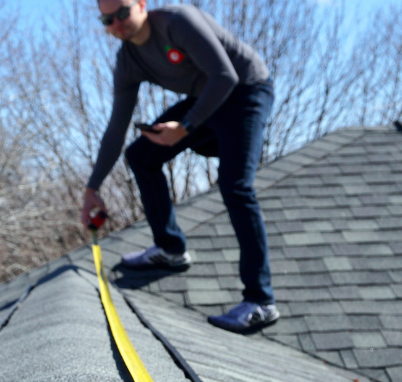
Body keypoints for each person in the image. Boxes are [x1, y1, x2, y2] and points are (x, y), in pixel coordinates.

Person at [81, 0, 278, 333]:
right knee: (141, 155)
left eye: (123, 12)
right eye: (107, 20)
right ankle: (170, 249)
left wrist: (185, 127)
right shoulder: (128, 60)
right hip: (205, 100)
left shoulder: (177, 22)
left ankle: (261, 301)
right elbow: (116, 129)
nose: (117, 24)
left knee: (235, 186)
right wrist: (92, 188)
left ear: (141, 4)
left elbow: (224, 75)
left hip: (246, 91)